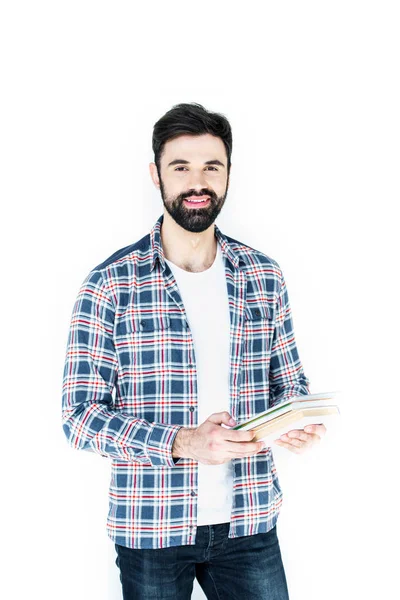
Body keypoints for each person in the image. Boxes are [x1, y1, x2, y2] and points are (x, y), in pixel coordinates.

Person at [61, 102, 326, 600]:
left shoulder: (263, 276)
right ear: (155, 175)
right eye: (181, 167)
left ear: (229, 174)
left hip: (250, 522)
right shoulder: (109, 285)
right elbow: (79, 418)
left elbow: (290, 385)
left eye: (211, 166)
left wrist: (296, 421)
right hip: (151, 527)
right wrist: (185, 443)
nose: (197, 181)